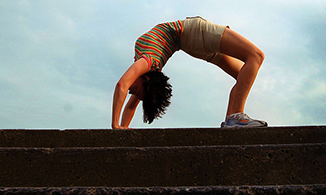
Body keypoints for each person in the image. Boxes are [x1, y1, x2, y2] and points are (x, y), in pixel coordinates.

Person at [111, 16, 267, 129]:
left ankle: (229, 123)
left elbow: (129, 101)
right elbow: (122, 85)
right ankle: (236, 117)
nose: (132, 90)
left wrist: (121, 127)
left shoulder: (148, 70)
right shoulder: (148, 62)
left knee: (244, 76)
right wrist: (116, 127)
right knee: (256, 56)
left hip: (191, 45)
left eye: (136, 91)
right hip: (192, 34)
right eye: (137, 91)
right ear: (145, 79)